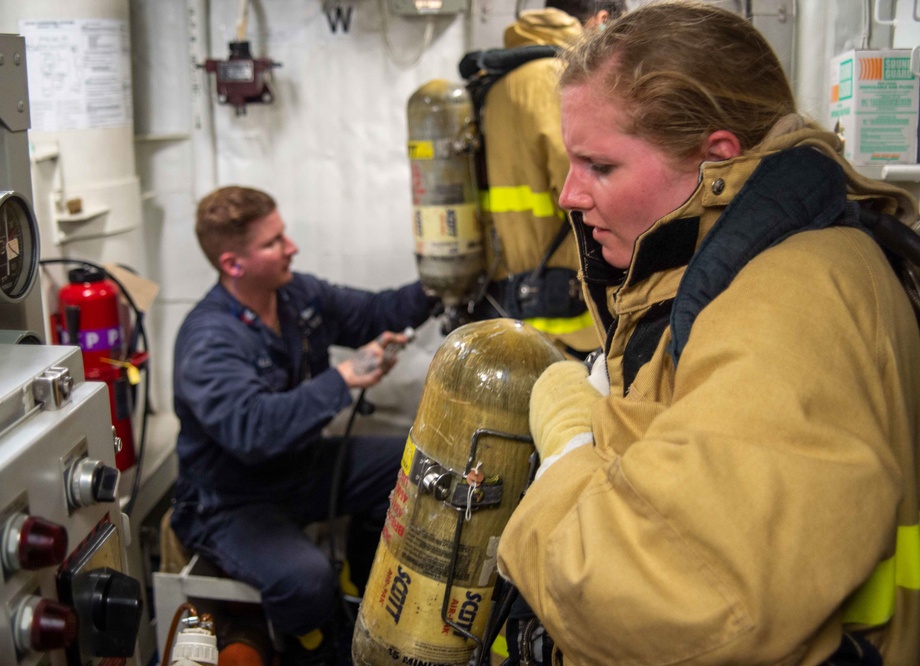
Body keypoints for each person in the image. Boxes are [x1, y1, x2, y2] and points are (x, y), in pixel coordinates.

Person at [497, 2, 920, 664]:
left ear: (714, 159)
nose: (568, 196)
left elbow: (681, 598)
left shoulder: (786, 305)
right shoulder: (724, 271)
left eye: (600, 166)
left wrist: (569, 451)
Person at [170, 186, 435, 662]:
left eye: (283, 234)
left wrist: (441, 281)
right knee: (307, 580)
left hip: (299, 469)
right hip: (230, 501)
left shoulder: (294, 296)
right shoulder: (209, 341)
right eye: (273, 242)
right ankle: (320, 646)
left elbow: (374, 313)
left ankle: (361, 581)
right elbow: (253, 431)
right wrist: (343, 378)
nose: (290, 247)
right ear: (234, 264)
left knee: (411, 465)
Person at [472, 0, 623, 357]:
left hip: (507, 302)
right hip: (572, 319)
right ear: (602, 21)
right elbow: (590, 188)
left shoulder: (494, 81)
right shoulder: (561, 78)